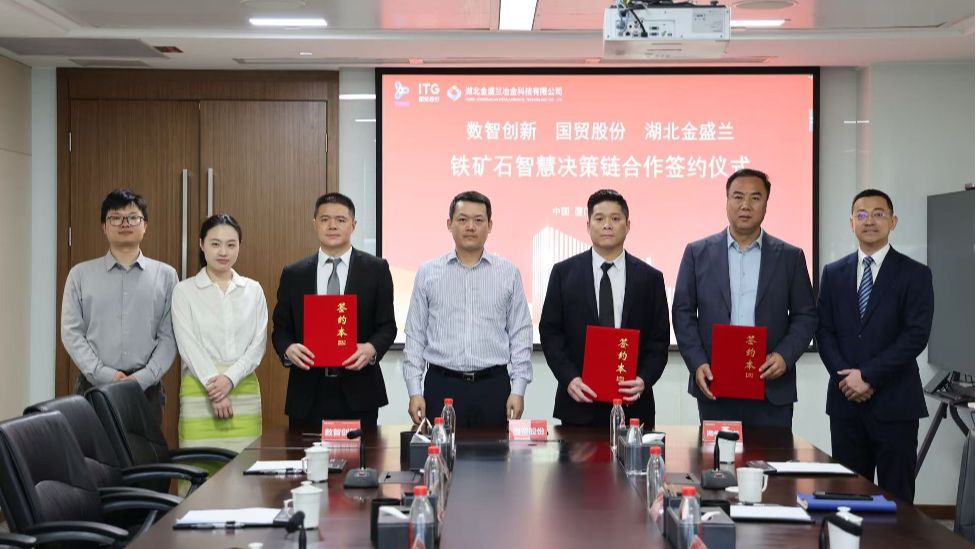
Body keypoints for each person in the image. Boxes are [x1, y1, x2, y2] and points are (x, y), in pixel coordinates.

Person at [673, 169, 818, 428]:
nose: (745, 205)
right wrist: (697, 363)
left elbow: (805, 315)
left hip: (770, 385)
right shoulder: (697, 253)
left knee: (772, 455)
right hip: (715, 382)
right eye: (738, 197)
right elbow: (683, 313)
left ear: (766, 203)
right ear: (727, 200)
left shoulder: (790, 256)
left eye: (755, 198)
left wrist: (784, 356)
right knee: (717, 455)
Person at [817, 189, 933, 504]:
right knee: (849, 498)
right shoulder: (833, 273)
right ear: (851, 223)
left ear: (893, 222)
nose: (870, 221)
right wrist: (846, 380)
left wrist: (867, 376)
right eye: (862, 214)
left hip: (896, 404)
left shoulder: (915, 274)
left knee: (897, 500)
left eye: (879, 214)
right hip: (846, 405)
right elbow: (824, 332)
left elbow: (915, 336)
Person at [540, 190, 670, 428]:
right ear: (588, 226)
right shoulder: (563, 273)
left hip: (633, 404)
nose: (607, 225)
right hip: (578, 403)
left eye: (615, 218)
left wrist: (644, 379)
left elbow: (659, 339)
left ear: (628, 226)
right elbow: (550, 333)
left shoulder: (650, 278)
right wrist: (569, 378)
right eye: (599, 219)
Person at [403, 191, 533, 427]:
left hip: (493, 387)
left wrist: (518, 389)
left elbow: (521, 333)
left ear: (490, 226)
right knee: (441, 451)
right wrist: (414, 390)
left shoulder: (508, 273)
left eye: (479, 220)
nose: (470, 227)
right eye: (462, 219)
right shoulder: (428, 272)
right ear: (449, 224)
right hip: (441, 385)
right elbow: (415, 334)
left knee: (495, 451)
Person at [272, 193, 397, 431]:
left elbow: (387, 326)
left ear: (353, 225)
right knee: (305, 455)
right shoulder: (294, 273)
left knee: (359, 455)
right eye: (325, 219)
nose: (332, 226)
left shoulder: (376, 269)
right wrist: (288, 349)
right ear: (315, 224)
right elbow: (281, 328)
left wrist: (371, 348)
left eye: (340, 220)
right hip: (307, 392)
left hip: (360, 391)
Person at [61, 189, 178, 428]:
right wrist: (104, 374)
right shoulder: (80, 275)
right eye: (116, 218)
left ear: (145, 225)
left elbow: (170, 336)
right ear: (104, 226)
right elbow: (71, 333)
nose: (125, 223)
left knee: (143, 453)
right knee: (93, 452)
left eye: (133, 217)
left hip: (147, 390)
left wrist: (142, 378)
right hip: (92, 386)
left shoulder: (166, 276)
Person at [172, 214, 267, 455]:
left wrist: (229, 379)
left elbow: (258, 344)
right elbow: (187, 344)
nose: (223, 251)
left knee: (245, 468)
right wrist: (214, 387)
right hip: (199, 392)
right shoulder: (184, 291)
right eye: (215, 244)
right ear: (201, 244)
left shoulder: (253, 290)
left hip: (243, 390)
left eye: (231, 244)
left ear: (239, 246)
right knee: (198, 469)